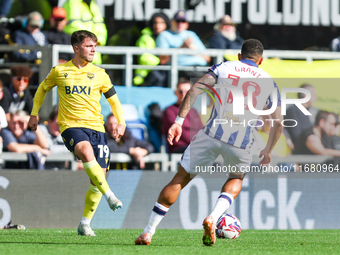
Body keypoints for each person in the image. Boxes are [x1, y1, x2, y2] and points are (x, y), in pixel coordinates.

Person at [135, 39, 283, 246]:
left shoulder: (224, 67)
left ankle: (148, 232)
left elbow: (194, 90)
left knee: (180, 179)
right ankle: (213, 216)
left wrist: (178, 122)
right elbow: (278, 122)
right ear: (261, 61)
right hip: (241, 142)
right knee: (236, 177)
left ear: (239, 56)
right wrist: (268, 150)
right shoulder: (269, 81)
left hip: (212, 134)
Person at [28, 30, 126, 236]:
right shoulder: (59, 71)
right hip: (71, 126)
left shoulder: (100, 73)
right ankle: (110, 195)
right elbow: (42, 89)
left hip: (97, 129)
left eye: (95, 46)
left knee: (97, 177)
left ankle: (85, 223)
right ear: (76, 48)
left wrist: (121, 122)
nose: (93, 50)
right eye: (89, 46)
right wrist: (34, 114)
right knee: (86, 153)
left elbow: (114, 101)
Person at [162, 77, 203, 153]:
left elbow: (202, 129)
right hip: (181, 148)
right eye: (180, 91)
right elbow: (182, 134)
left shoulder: (194, 111)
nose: (184, 94)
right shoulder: (169, 110)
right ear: (175, 92)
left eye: (188, 92)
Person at [63, 0, 107, 64]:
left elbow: (101, 27)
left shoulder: (93, 5)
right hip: (79, 59)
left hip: (95, 60)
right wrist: (90, 40)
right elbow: (73, 26)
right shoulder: (72, 2)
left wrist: (99, 41)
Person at [133, 12, 170, 86]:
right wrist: (161, 61)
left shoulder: (170, 37)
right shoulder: (145, 38)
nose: (158, 25)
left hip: (165, 75)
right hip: (145, 78)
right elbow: (144, 58)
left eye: (162, 22)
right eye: (155, 23)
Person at [38, 105, 70, 169]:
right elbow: (50, 149)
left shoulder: (64, 131)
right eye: (57, 124)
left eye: (62, 125)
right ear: (49, 121)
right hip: (43, 173)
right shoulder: (41, 129)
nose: (59, 128)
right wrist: (71, 149)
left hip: (60, 173)